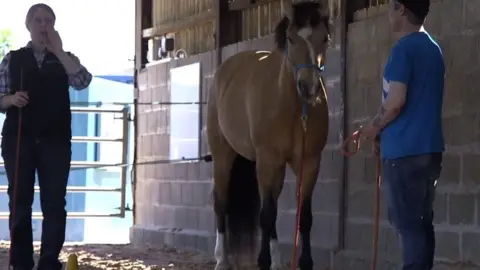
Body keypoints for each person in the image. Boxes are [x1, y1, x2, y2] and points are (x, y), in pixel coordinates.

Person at [0, 3, 92, 270]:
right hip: (20, 139)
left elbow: (83, 80)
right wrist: (10, 99)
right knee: (19, 200)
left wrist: (59, 50)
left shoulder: (66, 59)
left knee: (54, 202)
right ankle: (21, 263)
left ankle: (49, 262)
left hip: (56, 140)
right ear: (28, 25)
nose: (43, 26)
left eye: (48, 21)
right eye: (38, 21)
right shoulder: (12, 59)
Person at [360, 0, 443, 269]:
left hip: (404, 155)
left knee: (408, 226)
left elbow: (395, 101)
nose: (388, 14)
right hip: (429, 151)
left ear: (403, 11)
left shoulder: (403, 49)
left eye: (392, 7)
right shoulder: (434, 49)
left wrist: (374, 128)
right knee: (421, 224)